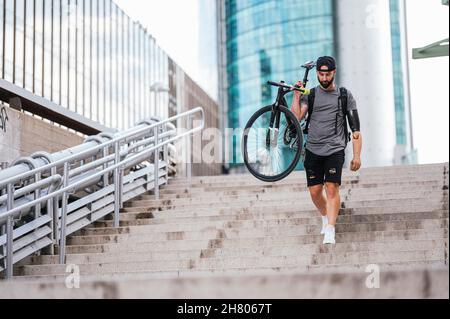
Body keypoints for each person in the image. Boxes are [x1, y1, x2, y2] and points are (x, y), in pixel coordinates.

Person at [291, 56, 362, 244]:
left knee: (331, 188)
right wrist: (296, 96)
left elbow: (355, 129)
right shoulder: (311, 95)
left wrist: (356, 155)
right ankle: (325, 216)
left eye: (327, 74)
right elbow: (296, 118)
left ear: (334, 72)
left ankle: (330, 228)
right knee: (315, 192)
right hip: (313, 149)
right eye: (321, 74)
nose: (324, 78)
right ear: (317, 74)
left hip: (335, 149)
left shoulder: (345, 95)